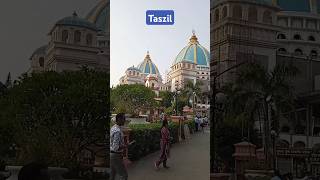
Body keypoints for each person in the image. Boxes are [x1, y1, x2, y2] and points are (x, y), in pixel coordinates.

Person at [110, 113, 128, 180]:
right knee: (124, 175)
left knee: (112, 175)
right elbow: (115, 147)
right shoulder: (117, 131)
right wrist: (125, 146)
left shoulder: (113, 128)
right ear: (119, 119)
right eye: (124, 119)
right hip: (116, 155)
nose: (125, 121)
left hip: (112, 155)